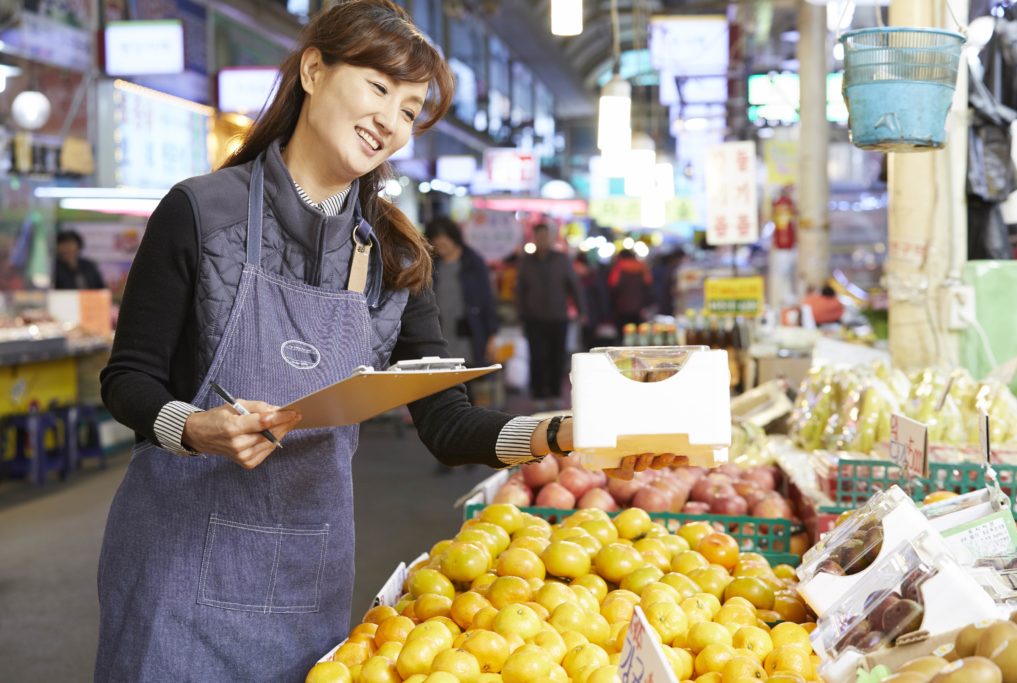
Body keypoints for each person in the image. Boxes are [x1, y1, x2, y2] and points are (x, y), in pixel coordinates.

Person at [95, 3, 686, 680]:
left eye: (410, 109)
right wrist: (196, 426)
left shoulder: (395, 255)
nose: (391, 122)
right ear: (314, 70)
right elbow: (129, 377)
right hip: (177, 576)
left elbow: (446, 420)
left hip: (307, 575)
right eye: (379, 89)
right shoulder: (201, 213)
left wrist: (565, 432)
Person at [516, 222, 585, 410]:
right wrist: (521, 312)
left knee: (557, 356)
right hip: (533, 317)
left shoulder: (562, 259)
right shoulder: (526, 261)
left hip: (558, 316)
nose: (542, 239)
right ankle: (538, 394)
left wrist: (582, 311)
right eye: (539, 236)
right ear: (534, 238)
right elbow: (520, 290)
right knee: (536, 357)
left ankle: (555, 393)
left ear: (552, 237)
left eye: (546, 236)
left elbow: (574, 287)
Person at [424, 215, 498, 368]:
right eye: (435, 238)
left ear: (453, 236)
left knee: (468, 383)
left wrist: (492, 337)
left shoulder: (474, 263)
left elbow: (487, 300)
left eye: (443, 236)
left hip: (469, 335)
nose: (439, 242)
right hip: (439, 336)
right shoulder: (430, 265)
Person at [608, 248, 653, 332]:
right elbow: (648, 286)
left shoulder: (618, 268)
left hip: (621, 307)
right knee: (638, 332)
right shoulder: (642, 267)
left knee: (623, 332)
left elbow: (613, 286)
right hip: (639, 307)